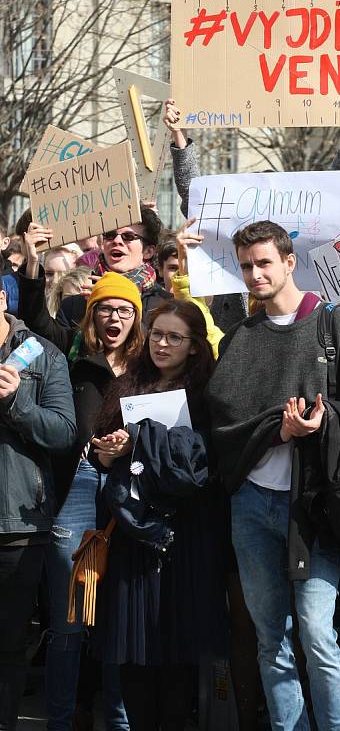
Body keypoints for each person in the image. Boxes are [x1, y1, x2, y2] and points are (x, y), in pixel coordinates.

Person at [206, 220, 340, 731]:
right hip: (253, 504)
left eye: (264, 262)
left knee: (316, 633)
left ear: (289, 262)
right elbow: (224, 420)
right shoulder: (241, 337)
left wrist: (323, 420)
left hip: (313, 505)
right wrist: (276, 433)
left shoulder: (336, 325)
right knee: (271, 636)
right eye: (245, 265)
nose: (255, 273)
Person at [91, 300, 227, 731]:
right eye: (156, 334)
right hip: (134, 537)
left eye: (174, 337)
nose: (162, 344)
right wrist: (109, 453)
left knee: (176, 652)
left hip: (185, 536)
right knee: (135, 651)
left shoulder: (208, 396)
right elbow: (103, 456)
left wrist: (141, 442)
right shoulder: (129, 384)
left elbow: (199, 467)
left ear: (194, 346)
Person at [164, 99, 340, 332]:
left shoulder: (298, 266)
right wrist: (180, 138)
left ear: (289, 260)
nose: (255, 271)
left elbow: (332, 195)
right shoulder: (236, 258)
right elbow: (195, 195)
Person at [45, 272, 144, 731]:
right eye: (106, 308)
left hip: (130, 490)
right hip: (82, 486)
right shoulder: (74, 361)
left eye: (125, 310)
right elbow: (36, 322)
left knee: (115, 620)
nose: (115, 317)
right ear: (91, 315)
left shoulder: (150, 365)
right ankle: (59, 722)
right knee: (69, 616)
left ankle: (119, 723)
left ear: (137, 319)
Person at [0, 276, 77, 731]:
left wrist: (16, 404)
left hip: (17, 522)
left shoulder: (41, 355)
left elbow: (65, 432)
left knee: (9, 644)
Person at [17, 205, 171, 354]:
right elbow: (42, 333)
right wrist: (33, 262)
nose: (117, 241)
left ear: (149, 251)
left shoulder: (164, 305)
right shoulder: (76, 304)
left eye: (128, 237)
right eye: (110, 235)